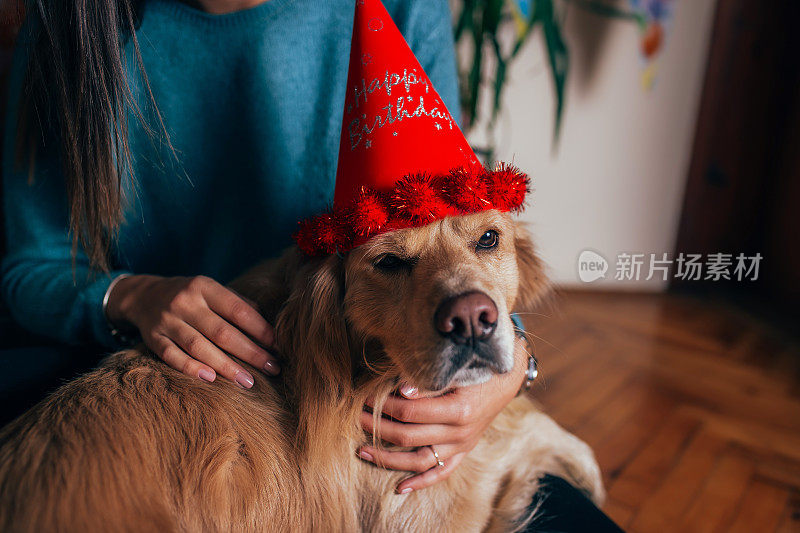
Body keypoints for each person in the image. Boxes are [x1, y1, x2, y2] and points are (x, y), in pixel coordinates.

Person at [0, 1, 622, 530]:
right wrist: (128, 298)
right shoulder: (66, 27)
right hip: (129, 348)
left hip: (361, 348)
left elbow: (449, 227)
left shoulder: (406, 5)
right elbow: (30, 269)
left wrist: (511, 366)